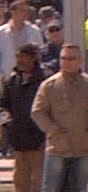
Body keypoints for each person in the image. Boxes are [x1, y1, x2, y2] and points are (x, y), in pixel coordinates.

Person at [31, 45, 88, 192]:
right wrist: (53, 130)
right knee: (51, 188)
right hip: (58, 147)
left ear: (80, 60)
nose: (66, 62)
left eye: (71, 58)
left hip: (83, 147)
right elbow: (37, 111)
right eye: (63, 58)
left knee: (80, 188)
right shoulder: (49, 85)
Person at [1, 44, 47, 192]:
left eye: (23, 57)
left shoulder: (45, 80)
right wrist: (7, 122)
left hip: (40, 142)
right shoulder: (12, 81)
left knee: (39, 183)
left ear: (34, 58)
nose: (19, 60)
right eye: (18, 57)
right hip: (19, 142)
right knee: (20, 183)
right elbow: (3, 106)